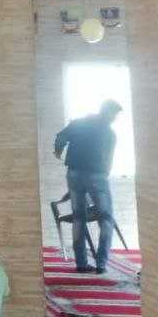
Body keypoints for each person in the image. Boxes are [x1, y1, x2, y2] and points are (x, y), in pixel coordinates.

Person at [54, 100, 123, 273]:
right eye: (114, 115)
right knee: (106, 218)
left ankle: (81, 264)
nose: (114, 119)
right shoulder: (109, 134)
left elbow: (61, 136)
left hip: (74, 174)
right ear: (107, 112)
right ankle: (101, 264)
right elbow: (108, 161)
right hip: (97, 176)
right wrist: (103, 174)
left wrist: (58, 150)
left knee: (79, 218)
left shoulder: (79, 123)